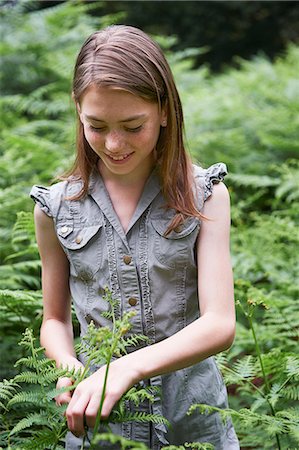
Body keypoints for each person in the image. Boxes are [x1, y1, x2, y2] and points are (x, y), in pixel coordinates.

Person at [30, 25, 239, 449]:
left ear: (164, 111)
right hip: (100, 427)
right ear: (78, 111)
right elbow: (54, 319)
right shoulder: (55, 208)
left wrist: (126, 369)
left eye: (132, 125)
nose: (114, 143)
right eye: (96, 125)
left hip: (192, 423)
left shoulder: (205, 195)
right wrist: (70, 371)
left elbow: (220, 322)